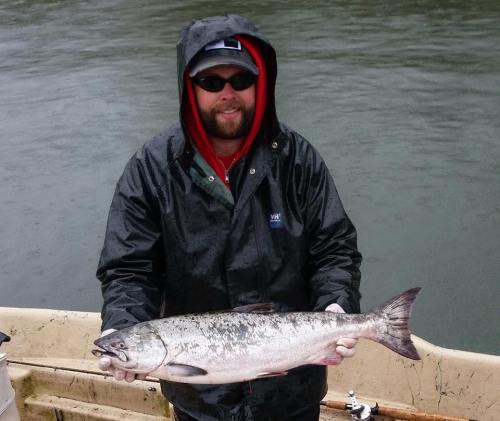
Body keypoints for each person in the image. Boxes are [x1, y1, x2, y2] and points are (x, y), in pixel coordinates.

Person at [96, 14, 361, 421]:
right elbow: (130, 269)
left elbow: (335, 248)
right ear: (190, 87)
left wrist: (336, 305)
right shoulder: (151, 169)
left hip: (292, 391)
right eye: (211, 82)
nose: (227, 94)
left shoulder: (299, 161)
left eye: (240, 80)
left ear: (261, 84)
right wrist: (123, 325)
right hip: (200, 400)